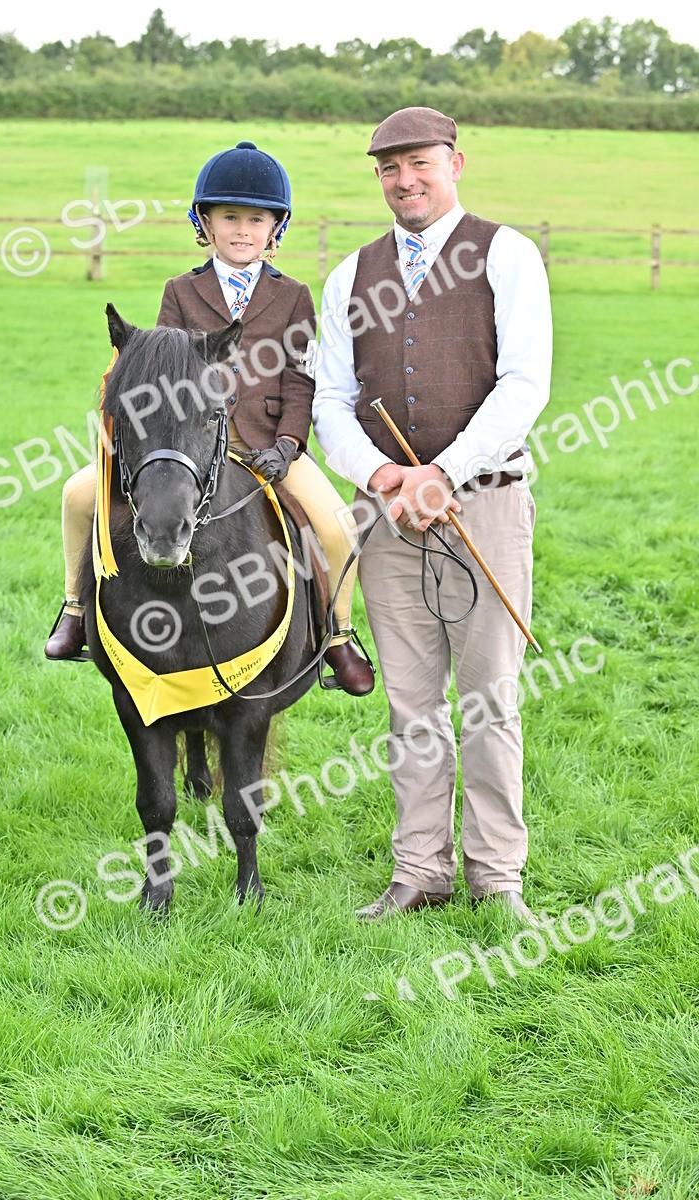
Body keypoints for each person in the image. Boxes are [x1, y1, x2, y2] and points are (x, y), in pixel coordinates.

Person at [313, 107, 552, 921]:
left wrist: (442, 474)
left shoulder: (507, 254)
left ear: (455, 162)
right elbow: (332, 403)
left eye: (418, 163)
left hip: (484, 508)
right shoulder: (349, 273)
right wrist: (384, 474)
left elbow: (524, 384)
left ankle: (497, 878)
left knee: (490, 701)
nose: (404, 180)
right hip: (387, 521)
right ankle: (420, 871)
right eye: (388, 168)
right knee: (411, 705)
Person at [45, 140, 374, 697]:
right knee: (78, 495)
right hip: (185, 446)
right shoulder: (180, 290)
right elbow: (159, 371)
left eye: (255, 219)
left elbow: (300, 377)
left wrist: (290, 444)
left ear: (275, 228)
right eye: (229, 218)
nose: (242, 230)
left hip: (269, 448)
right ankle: (75, 608)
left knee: (338, 527)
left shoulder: (293, 296)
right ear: (205, 223)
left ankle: (338, 636)